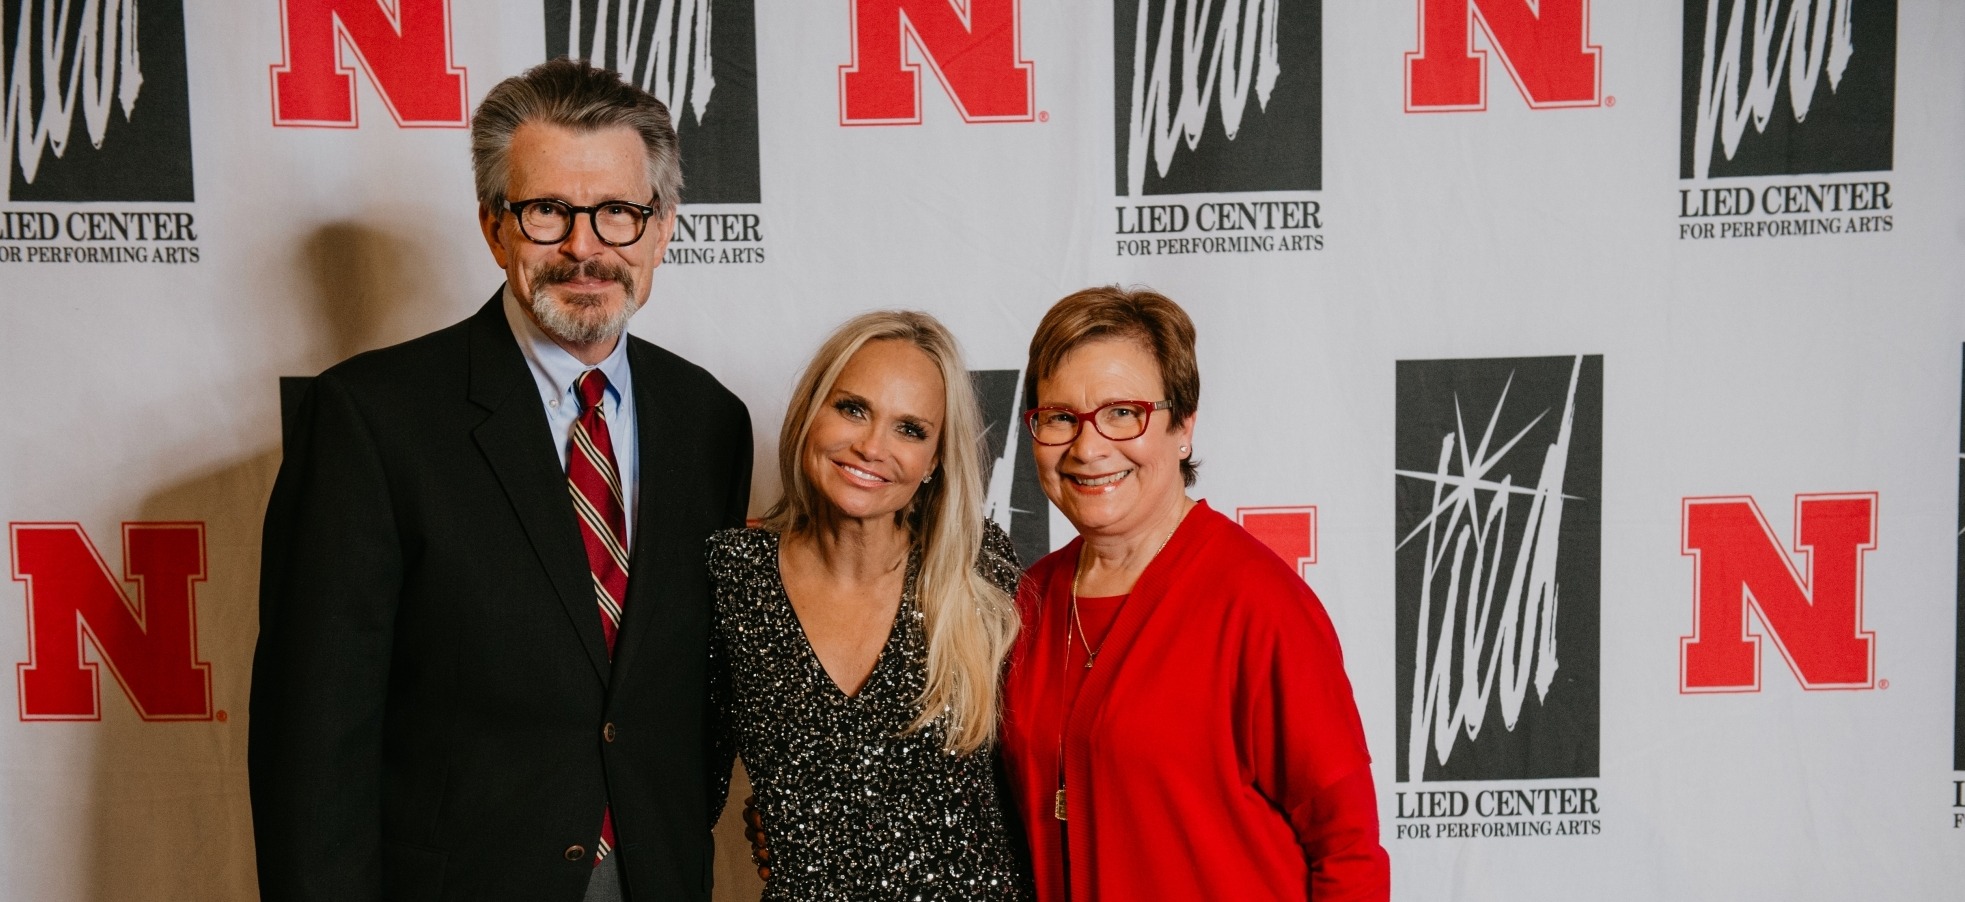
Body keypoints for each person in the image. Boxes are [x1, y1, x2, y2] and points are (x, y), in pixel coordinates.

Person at [250, 59, 751, 902]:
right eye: (549, 211)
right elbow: (311, 742)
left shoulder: (711, 421)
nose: (585, 246)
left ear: (662, 229)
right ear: (495, 227)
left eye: (619, 213)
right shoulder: (370, 420)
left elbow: (690, 694)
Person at [998, 286, 1391, 901]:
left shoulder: (1259, 604)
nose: (1088, 446)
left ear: (1183, 426)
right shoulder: (1030, 602)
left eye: (1122, 412)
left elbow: (1348, 851)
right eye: (1060, 417)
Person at [708, 311, 1031, 901]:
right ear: (811, 412)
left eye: (910, 429)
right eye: (852, 408)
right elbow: (676, 777)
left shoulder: (980, 569)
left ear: (935, 459)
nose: (871, 446)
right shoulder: (735, 575)